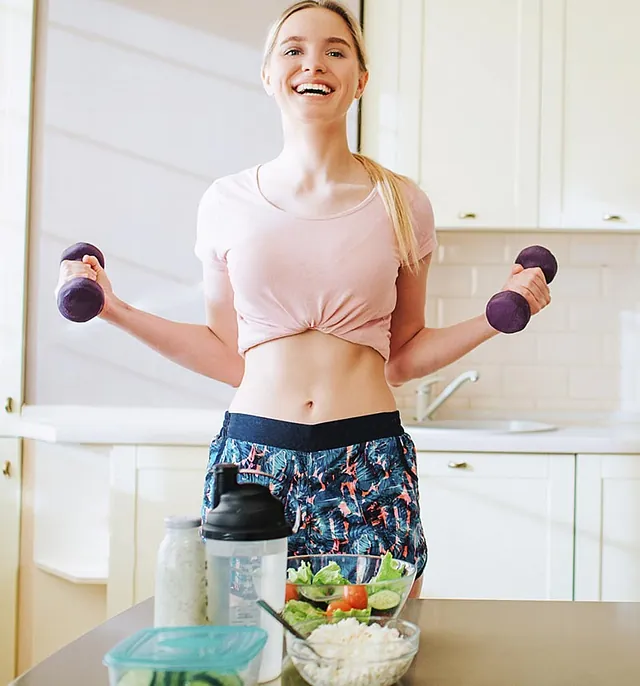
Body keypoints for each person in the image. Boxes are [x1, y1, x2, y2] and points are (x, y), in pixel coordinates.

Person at [55, 0, 550, 596]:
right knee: (252, 651)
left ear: (360, 80)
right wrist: (114, 308)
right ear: (268, 75)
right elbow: (225, 351)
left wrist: (499, 315)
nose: (313, 62)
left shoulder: (402, 203)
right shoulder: (226, 201)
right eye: (293, 49)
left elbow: (404, 355)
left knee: (376, 652)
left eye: (335, 50)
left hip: (368, 458)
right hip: (257, 461)